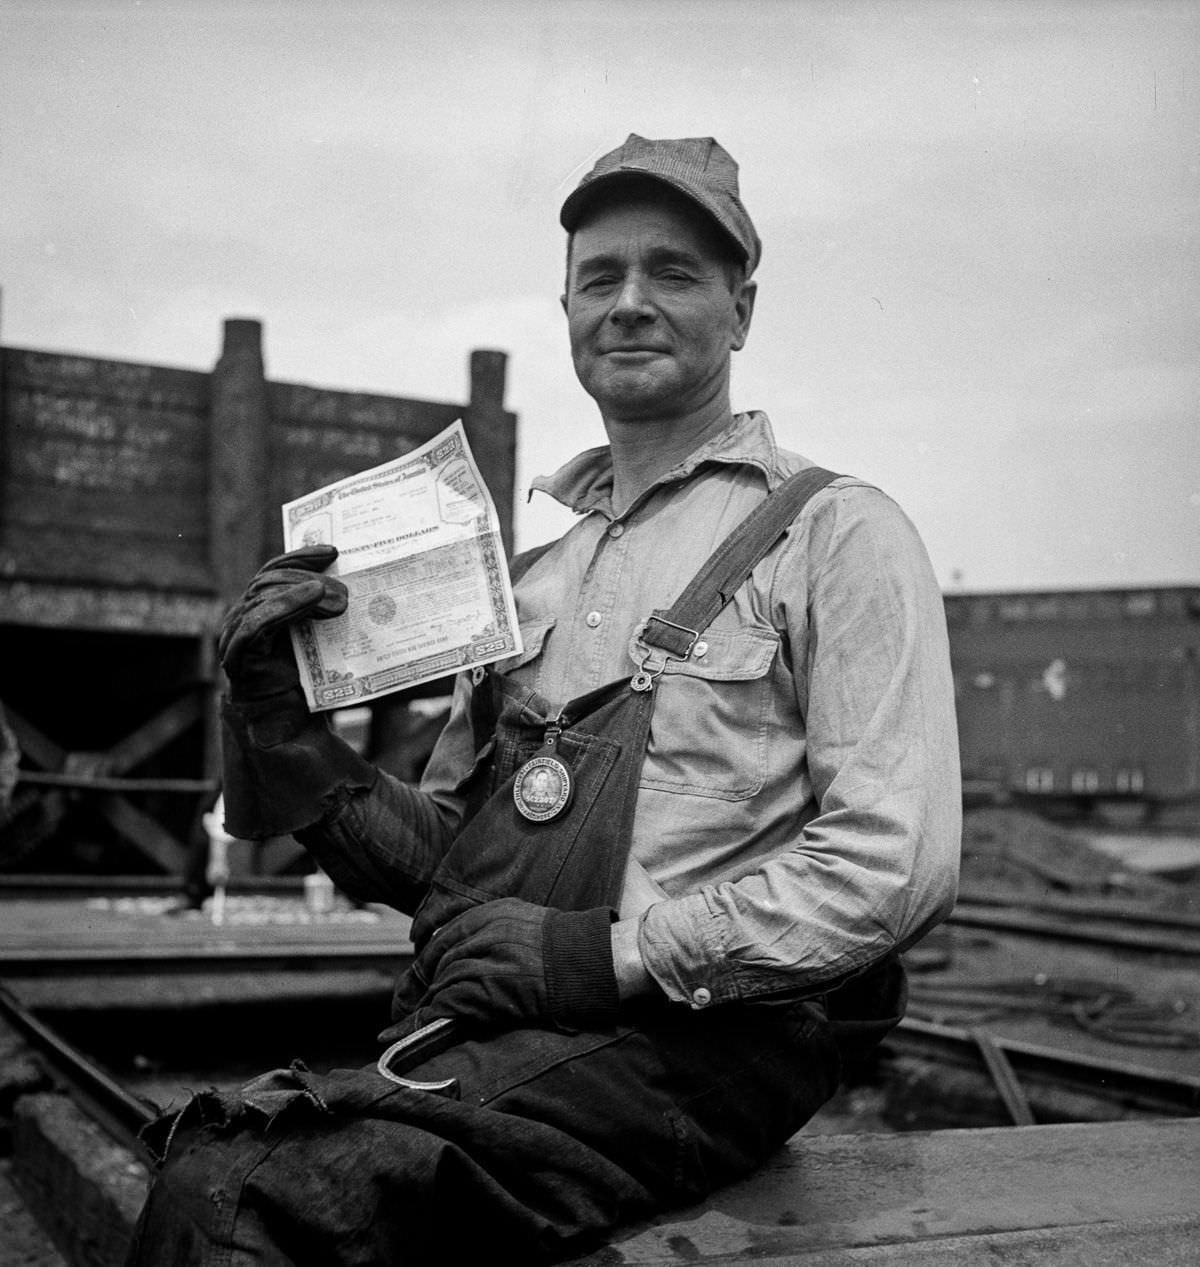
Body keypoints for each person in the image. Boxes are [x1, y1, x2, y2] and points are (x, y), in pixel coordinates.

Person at [127, 134, 960, 1265]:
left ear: (741, 309)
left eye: (673, 272)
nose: (629, 302)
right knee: (218, 1162)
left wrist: (599, 955)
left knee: (244, 1196)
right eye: (599, 277)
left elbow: (893, 866)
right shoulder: (532, 578)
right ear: (565, 306)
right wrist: (283, 728)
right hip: (517, 1029)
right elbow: (452, 871)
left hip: (705, 1046)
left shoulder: (836, 533)